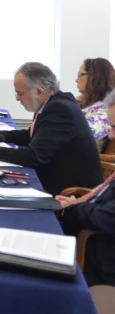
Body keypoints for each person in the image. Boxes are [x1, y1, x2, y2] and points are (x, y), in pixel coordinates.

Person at [0, 61, 102, 196]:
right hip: (57, 177)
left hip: (70, 192)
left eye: (20, 93)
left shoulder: (60, 109)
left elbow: (33, 156)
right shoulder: (51, 102)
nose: (17, 99)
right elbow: (31, 135)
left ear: (39, 91)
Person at [56, 89, 115, 286]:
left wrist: (76, 208)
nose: (111, 135)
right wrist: (80, 202)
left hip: (98, 262)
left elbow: (108, 217)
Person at [76, 58, 115, 151]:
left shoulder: (105, 113)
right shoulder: (83, 105)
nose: (76, 80)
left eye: (79, 75)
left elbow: (78, 143)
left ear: (94, 77)